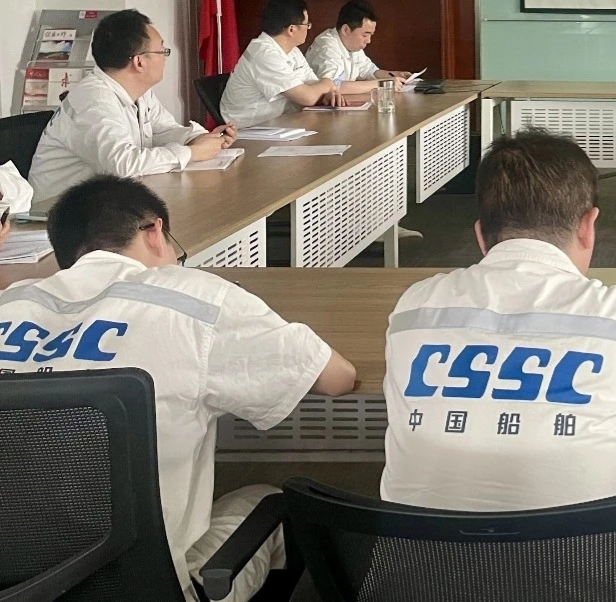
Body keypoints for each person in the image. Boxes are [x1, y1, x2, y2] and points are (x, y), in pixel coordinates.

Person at [4, 177, 357, 599]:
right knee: (270, 500)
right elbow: (336, 377)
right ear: (155, 231)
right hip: (145, 590)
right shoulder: (194, 298)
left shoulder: (10, 303)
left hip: (15, 583)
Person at [380, 130, 616, 510]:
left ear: (481, 235)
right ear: (587, 226)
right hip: (606, 551)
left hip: (413, 550)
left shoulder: (414, 308)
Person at [28, 9, 234, 197]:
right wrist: (191, 153)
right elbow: (122, 165)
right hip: (62, 215)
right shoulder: (93, 100)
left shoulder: (140, 92)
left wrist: (202, 138)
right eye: (162, 51)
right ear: (139, 62)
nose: (165, 57)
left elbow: (163, 130)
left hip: (109, 202)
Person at [220, 0, 373, 127]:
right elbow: (308, 97)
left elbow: (313, 83)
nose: (308, 28)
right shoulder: (264, 54)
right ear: (291, 29)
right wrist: (327, 83)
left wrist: (329, 93)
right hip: (251, 130)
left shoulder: (292, 50)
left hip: (283, 123)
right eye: (307, 25)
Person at [306, 0, 408, 85]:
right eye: (365, 35)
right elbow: (333, 85)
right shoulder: (327, 47)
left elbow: (368, 70)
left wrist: (394, 75)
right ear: (346, 30)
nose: (368, 41)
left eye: (370, 35)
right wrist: (381, 84)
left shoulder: (351, 45)